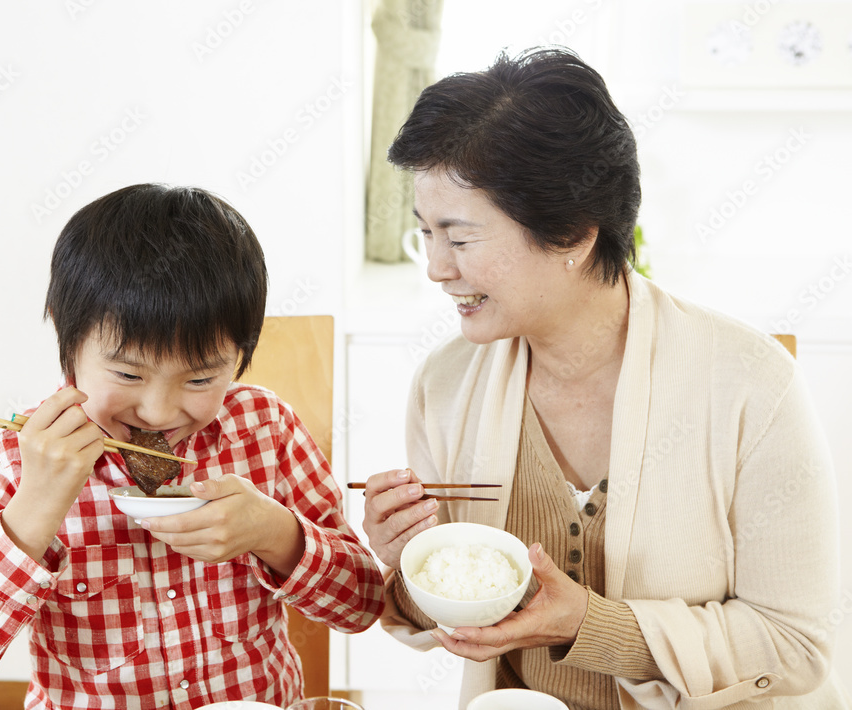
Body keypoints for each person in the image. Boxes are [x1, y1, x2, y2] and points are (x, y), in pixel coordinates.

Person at [362, 49, 850, 709]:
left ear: (571, 233)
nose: (436, 268)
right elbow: (445, 611)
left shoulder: (751, 385)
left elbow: (795, 646)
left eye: (461, 238)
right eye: (426, 233)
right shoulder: (445, 384)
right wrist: (411, 562)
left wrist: (589, 624)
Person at [0, 184, 384, 709]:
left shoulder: (264, 428)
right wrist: (36, 507)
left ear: (241, 357)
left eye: (200, 380)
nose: (158, 412)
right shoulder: (12, 458)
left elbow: (361, 606)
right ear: (68, 341)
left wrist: (275, 534)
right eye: (128, 374)